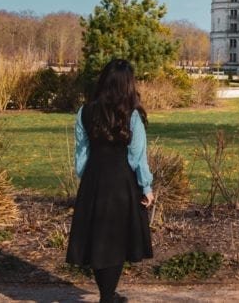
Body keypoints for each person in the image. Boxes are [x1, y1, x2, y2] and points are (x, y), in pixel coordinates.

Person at [66, 58, 154, 303]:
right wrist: (146, 186)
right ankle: (107, 297)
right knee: (114, 239)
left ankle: (108, 294)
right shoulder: (132, 115)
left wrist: (88, 181)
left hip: (94, 179)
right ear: (128, 84)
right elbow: (138, 156)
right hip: (122, 183)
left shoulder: (85, 112)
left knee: (99, 238)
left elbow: (81, 153)